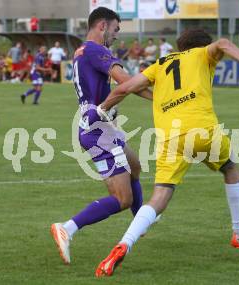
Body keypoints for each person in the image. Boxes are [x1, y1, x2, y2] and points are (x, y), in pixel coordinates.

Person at [94, 28, 239, 277]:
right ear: (201, 46)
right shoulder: (202, 54)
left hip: (169, 138)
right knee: (230, 168)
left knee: (159, 197)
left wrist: (103, 108)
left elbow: (127, 87)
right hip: (202, 130)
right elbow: (223, 43)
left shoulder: (160, 64)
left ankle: (125, 242)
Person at [49, 7, 153, 265]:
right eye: (116, 30)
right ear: (102, 26)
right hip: (97, 130)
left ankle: (141, 218)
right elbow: (126, 82)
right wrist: (160, 98)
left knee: (135, 166)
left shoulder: (81, 50)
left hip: (98, 125)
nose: (117, 36)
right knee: (122, 198)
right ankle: (67, 228)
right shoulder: (97, 50)